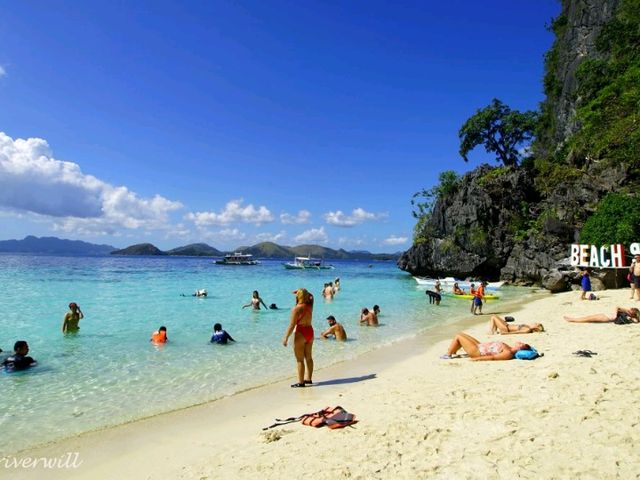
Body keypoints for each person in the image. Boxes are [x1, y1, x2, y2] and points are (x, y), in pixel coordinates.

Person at [282, 288, 314, 388]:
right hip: (310, 332)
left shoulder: (296, 309)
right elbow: (312, 297)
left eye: (296, 295)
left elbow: (292, 325)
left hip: (301, 333)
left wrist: (286, 337)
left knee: (300, 360)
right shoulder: (310, 306)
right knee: (308, 357)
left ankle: (301, 382)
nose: (295, 296)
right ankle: (308, 379)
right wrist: (304, 292)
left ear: (298, 296)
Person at [441, 332, 531, 361]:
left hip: (478, 352)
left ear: (520, 348)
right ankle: (453, 351)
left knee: (458, 336)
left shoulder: (508, 353)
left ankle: (448, 354)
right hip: (480, 346)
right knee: (461, 334)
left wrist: (476, 359)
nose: (520, 342)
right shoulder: (509, 348)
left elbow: (493, 358)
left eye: (521, 343)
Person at [564, 306, 640, 323]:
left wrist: (632, 316)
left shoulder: (629, 316)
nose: (630, 309)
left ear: (633, 313)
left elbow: (636, 321)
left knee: (588, 319)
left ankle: (573, 319)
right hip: (606, 315)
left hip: (607, 318)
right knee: (588, 318)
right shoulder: (626, 313)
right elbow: (617, 307)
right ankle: (573, 319)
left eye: (631, 310)